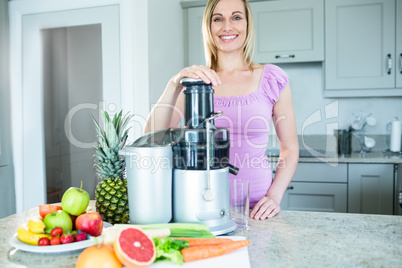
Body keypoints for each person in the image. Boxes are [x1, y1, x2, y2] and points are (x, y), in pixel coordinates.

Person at [145, 0, 299, 220]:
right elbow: (151, 137)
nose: (227, 26)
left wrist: (274, 196)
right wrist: (174, 84)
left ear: (247, 24)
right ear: (209, 27)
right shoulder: (196, 81)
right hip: (199, 205)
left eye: (236, 17)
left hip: (256, 209)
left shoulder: (271, 78)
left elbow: (290, 149)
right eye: (218, 19)